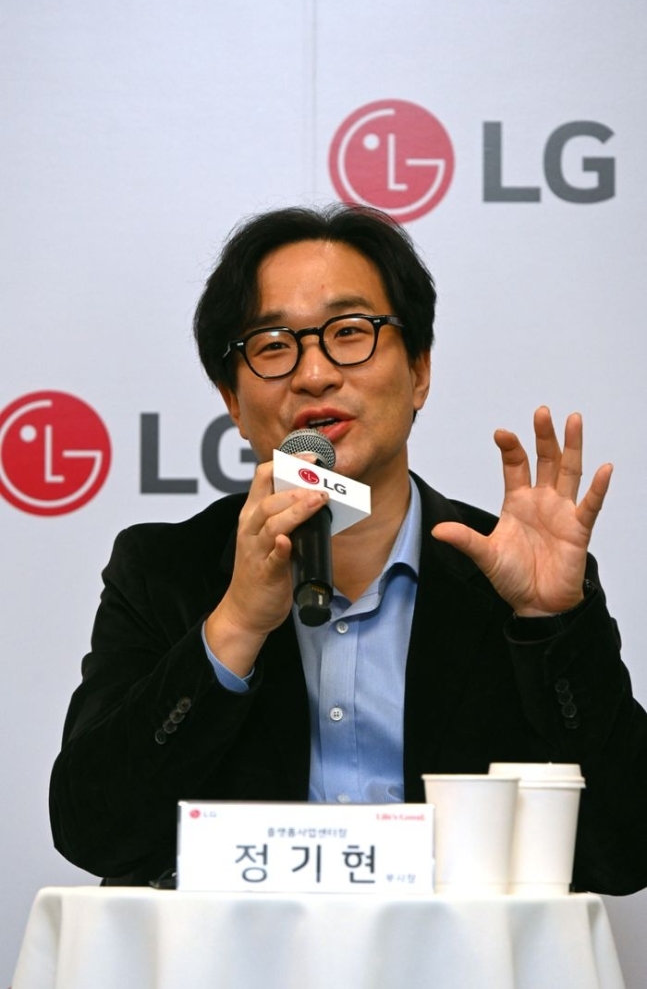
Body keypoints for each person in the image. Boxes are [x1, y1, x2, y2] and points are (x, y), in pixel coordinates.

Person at [50, 204, 647, 892]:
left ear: (419, 370)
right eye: (272, 344)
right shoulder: (166, 571)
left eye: (349, 332)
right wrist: (235, 625)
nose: (314, 373)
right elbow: (93, 833)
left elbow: (624, 852)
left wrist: (549, 625)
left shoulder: (506, 573)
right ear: (233, 400)